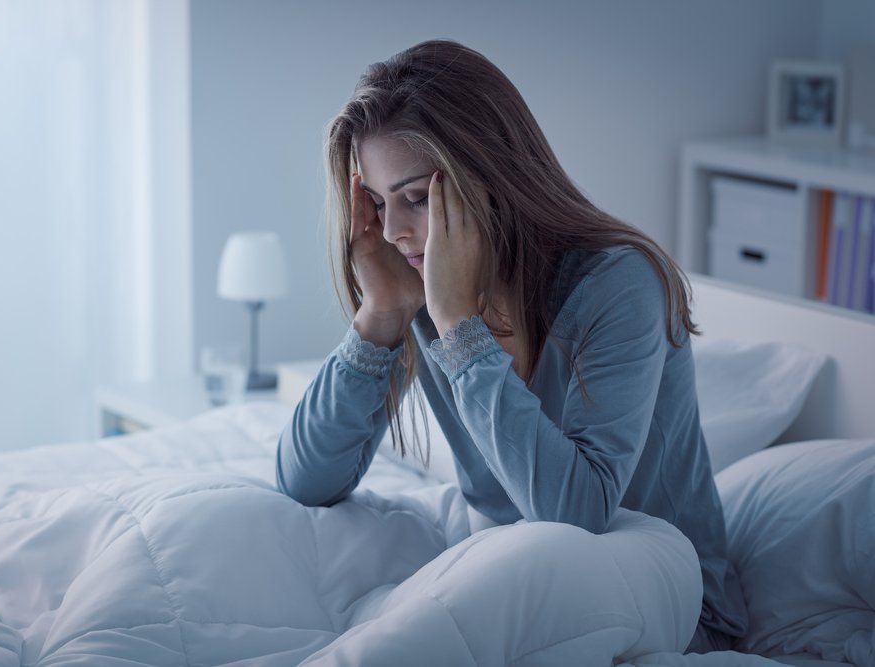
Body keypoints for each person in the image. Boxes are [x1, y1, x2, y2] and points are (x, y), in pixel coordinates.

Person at [274, 38, 748, 654]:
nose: (393, 232)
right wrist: (381, 312)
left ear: (491, 176)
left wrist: (458, 326)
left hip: (671, 602)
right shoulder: (417, 285)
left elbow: (576, 517)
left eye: (416, 199)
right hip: (513, 582)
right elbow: (304, 481)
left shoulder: (619, 285)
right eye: (380, 204)